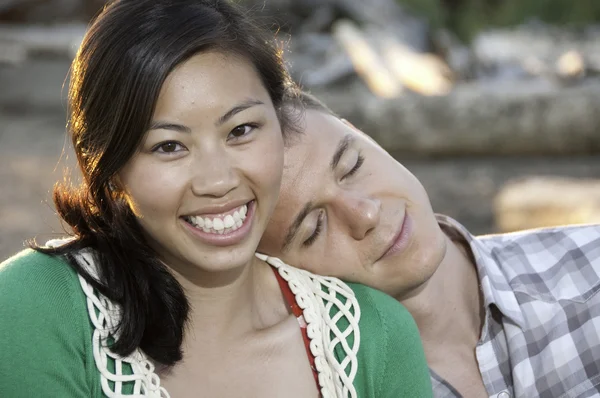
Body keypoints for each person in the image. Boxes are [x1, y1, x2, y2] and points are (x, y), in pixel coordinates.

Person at [0, 1, 433, 397]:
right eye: (169, 146)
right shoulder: (36, 306)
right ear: (110, 171)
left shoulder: (375, 337)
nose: (218, 181)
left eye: (240, 130)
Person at [259, 91, 600, 398]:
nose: (365, 213)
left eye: (353, 166)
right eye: (314, 228)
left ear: (369, 138)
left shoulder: (591, 266)